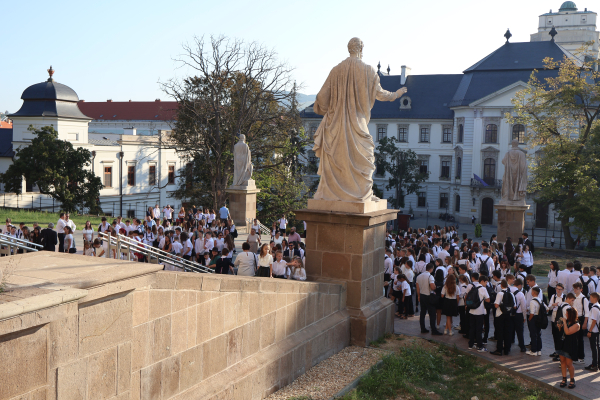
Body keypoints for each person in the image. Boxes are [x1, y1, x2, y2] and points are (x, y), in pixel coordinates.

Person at [557, 307, 581, 389]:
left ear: (571, 314)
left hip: (570, 346)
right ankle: (564, 379)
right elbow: (563, 332)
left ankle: (572, 380)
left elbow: (567, 332)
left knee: (569, 364)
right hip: (562, 344)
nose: (566, 315)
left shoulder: (576, 324)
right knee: (562, 362)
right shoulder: (566, 322)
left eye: (567, 313)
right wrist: (559, 326)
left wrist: (564, 322)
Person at [416, 263, 442, 335]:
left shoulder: (419, 276)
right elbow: (432, 287)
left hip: (422, 295)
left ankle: (423, 328)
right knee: (432, 313)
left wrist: (418, 296)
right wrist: (435, 287)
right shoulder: (430, 276)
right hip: (428, 296)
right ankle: (434, 330)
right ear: (431, 269)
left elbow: (417, 287)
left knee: (422, 312)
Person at [490, 279, 515, 356]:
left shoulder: (500, 294)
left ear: (501, 286)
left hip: (500, 315)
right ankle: (507, 349)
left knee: (500, 332)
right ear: (507, 286)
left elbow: (496, 305)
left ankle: (499, 349)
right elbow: (514, 306)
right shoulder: (511, 294)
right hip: (508, 315)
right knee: (507, 332)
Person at [468, 274, 491, 352]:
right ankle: (479, 346)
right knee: (479, 329)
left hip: (471, 310)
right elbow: (488, 300)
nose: (486, 284)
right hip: (479, 311)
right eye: (486, 282)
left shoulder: (473, 287)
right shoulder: (483, 289)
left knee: (472, 328)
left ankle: (471, 344)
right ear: (482, 281)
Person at [572, 282, 589, 364]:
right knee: (574, 338)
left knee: (580, 339)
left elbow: (586, 312)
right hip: (574, 319)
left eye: (577, 289)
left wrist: (585, 322)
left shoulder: (584, 299)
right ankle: (575, 355)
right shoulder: (573, 297)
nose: (575, 290)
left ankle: (581, 357)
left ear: (581, 289)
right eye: (574, 288)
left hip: (581, 319)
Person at [549, 283, 567, 359]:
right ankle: (556, 351)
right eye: (557, 289)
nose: (558, 290)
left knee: (560, 337)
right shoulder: (553, 296)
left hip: (560, 320)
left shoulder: (565, 297)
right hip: (553, 319)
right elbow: (549, 308)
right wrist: (553, 305)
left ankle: (560, 353)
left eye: (560, 289)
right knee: (555, 336)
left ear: (563, 290)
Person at [527, 287, 543, 356]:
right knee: (538, 334)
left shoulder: (532, 301)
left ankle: (533, 350)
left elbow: (532, 313)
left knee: (533, 334)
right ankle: (539, 350)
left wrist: (529, 319)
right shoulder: (540, 300)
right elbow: (547, 309)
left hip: (534, 318)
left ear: (533, 292)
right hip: (539, 318)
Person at [586, 292, 600, 372]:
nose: (589, 299)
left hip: (594, 331)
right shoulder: (598, 306)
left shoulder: (594, 308)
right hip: (597, 331)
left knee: (594, 348)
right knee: (596, 347)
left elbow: (594, 321)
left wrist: (589, 331)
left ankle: (594, 365)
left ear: (595, 299)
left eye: (591, 297)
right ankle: (596, 363)